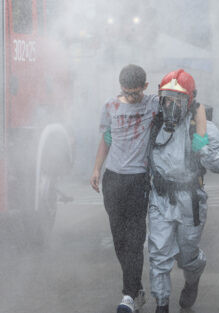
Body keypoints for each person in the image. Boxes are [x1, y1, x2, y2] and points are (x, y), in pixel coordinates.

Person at [147, 69, 219, 313]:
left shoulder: (203, 127)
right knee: (158, 254)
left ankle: (193, 279)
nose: (171, 106)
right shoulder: (155, 125)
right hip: (160, 198)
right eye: (167, 99)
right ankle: (161, 304)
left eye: (178, 100)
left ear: (189, 102)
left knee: (186, 255)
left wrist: (203, 148)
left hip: (190, 201)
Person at [89, 64, 159, 313]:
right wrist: (97, 168)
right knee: (119, 240)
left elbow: (183, 102)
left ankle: (128, 295)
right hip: (113, 179)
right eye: (127, 92)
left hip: (138, 180)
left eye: (136, 93)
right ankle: (136, 289)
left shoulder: (152, 103)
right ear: (121, 88)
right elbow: (106, 139)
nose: (132, 97)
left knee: (135, 239)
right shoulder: (110, 106)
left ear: (145, 87)